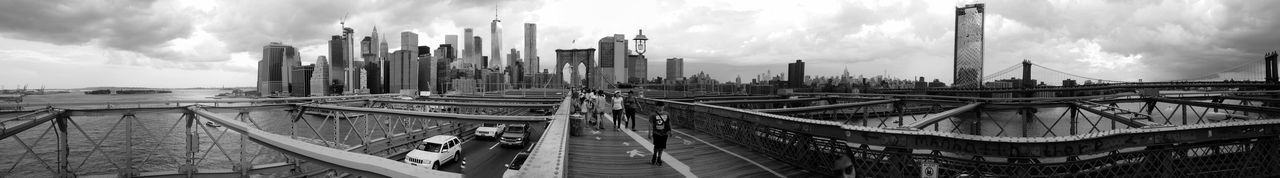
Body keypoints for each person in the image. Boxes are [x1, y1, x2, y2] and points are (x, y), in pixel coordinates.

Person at [650, 102, 671, 166]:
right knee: (656, 146)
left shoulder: (667, 114)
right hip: (656, 133)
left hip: (664, 133)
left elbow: (669, 122)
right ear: (656, 107)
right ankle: (654, 155)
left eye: (662, 106)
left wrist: (670, 131)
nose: (661, 107)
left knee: (662, 146)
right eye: (659, 106)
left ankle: (659, 158)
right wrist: (649, 132)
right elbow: (650, 123)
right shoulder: (653, 114)